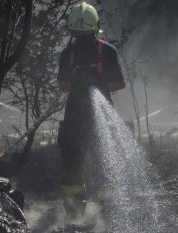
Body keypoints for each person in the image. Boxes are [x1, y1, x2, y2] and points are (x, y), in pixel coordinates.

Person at [57, 1, 126, 219]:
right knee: (74, 165)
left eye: (82, 30)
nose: (82, 35)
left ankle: (107, 212)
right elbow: (64, 85)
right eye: (80, 31)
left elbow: (119, 83)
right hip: (76, 118)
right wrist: (82, 84)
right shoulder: (70, 53)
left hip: (99, 118)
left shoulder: (105, 51)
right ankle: (76, 214)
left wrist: (97, 85)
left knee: (101, 162)